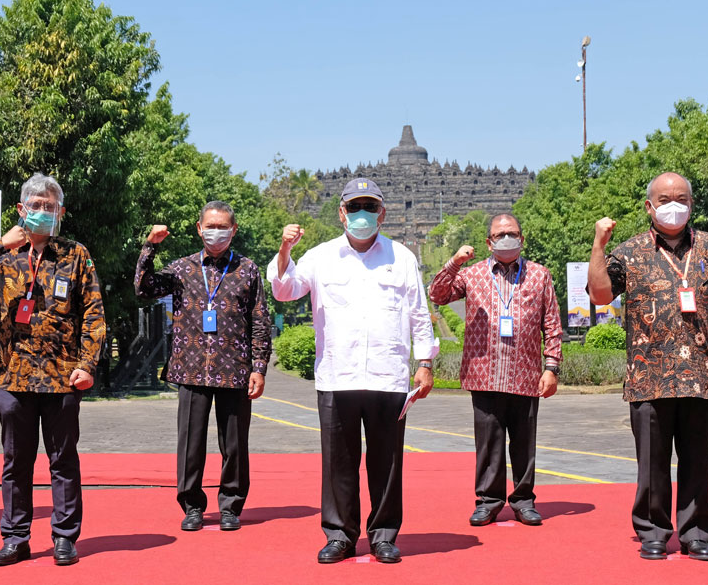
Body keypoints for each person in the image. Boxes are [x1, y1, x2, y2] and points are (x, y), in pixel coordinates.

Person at [267, 178, 437, 565]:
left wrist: (425, 362)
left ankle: (383, 536)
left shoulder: (402, 257)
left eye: (370, 206)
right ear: (342, 212)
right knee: (338, 463)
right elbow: (284, 289)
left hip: (387, 376)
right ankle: (340, 535)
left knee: (387, 463)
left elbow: (419, 314)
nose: (362, 214)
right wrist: (285, 249)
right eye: (355, 206)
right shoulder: (320, 256)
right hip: (337, 376)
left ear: (382, 213)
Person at [587, 172, 708, 562]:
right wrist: (598, 244)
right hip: (648, 378)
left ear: (691, 204)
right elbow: (600, 294)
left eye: (681, 198)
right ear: (649, 206)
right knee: (652, 464)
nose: (672, 205)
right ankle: (653, 531)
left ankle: (695, 533)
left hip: (700, 375)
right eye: (664, 198)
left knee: (697, 461)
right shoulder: (629, 251)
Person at [0, 173, 105, 567]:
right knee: (15, 463)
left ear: (60, 212)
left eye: (49, 206)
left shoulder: (75, 254)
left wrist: (87, 364)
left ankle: (64, 537)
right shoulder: (3, 256)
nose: (42, 212)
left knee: (63, 462)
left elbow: (93, 313)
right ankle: (15, 537)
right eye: (35, 205)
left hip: (62, 377)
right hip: (11, 376)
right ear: (21, 210)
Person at [135, 201, 271, 532]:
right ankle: (192, 505)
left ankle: (231, 505)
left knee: (234, 443)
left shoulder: (248, 270)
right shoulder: (181, 269)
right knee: (190, 441)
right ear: (199, 228)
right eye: (210, 226)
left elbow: (259, 319)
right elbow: (143, 288)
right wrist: (150, 247)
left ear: (233, 230)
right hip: (190, 367)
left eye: (223, 227)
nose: (216, 232)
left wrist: (259, 366)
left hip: (234, 370)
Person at [428, 213, 561, 527]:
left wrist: (551, 367)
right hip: (484, 372)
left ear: (522, 239)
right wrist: (453, 263)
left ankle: (523, 500)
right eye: (500, 234)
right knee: (488, 443)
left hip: (526, 372)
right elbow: (437, 294)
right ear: (488, 242)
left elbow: (552, 325)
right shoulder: (472, 275)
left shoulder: (540, 275)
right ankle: (488, 501)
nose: (506, 238)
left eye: (512, 233)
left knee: (524, 441)